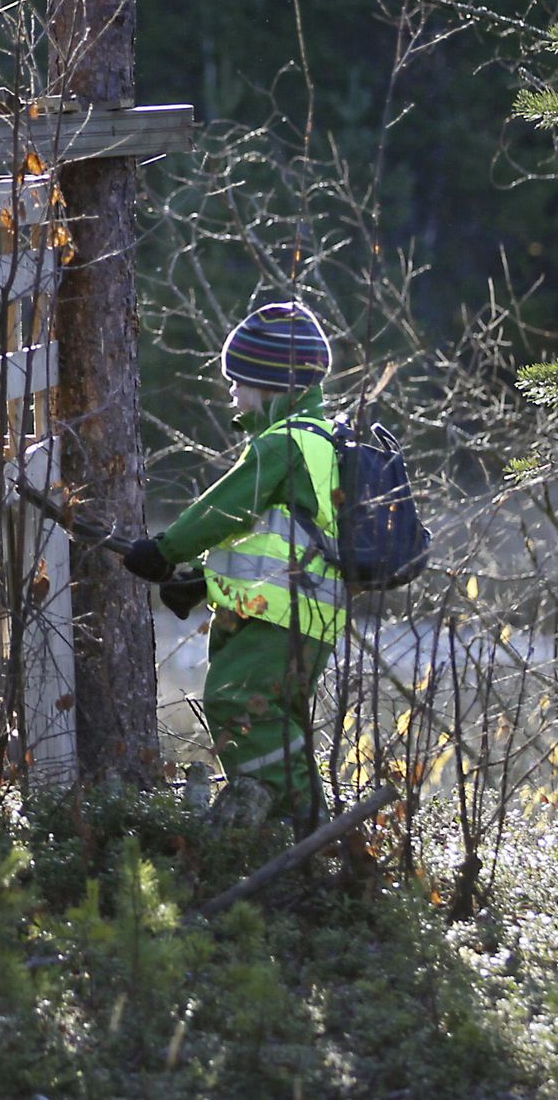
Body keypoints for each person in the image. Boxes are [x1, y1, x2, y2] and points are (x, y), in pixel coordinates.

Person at [118, 301, 350, 826]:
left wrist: (165, 549)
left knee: (233, 702)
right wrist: (203, 580)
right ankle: (297, 824)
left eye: (240, 382)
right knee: (268, 712)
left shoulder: (286, 443)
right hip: (300, 615)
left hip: (280, 616)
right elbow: (281, 536)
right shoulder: (321, 442)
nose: (232, 394)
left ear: (273, 386)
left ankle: (301, 815)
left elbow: (225, 508)